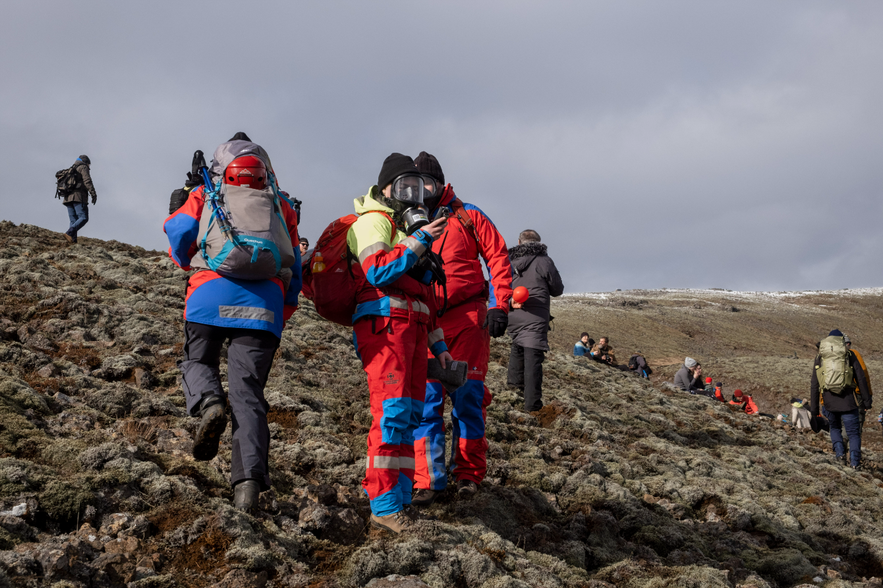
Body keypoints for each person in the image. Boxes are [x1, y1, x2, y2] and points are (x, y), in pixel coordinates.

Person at [163, 136, 301, 511]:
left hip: (209, 293)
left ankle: (209, 403)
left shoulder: (207, 192)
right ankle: (247, 488)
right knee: (248, 395)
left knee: (197, 362)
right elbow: (295, 263)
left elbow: (177, 232)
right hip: (264, 307)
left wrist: (186, 261)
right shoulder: (279, 202)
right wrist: (282, 311)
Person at [347, 153, 453, 534]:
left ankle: (402, 501)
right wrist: (419, 240)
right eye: (404, 187)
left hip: (411, 332)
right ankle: (385, 506)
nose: (414, 195)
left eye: (419, 188)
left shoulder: (401, 228)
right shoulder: (374, 222)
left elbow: (427, 297)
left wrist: (439, 347)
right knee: (392, 416)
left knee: (409, 417)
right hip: (385, 330)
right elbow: (377, 269)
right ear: (386, 188)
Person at [410, 152, 513, 506]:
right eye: (416, 184)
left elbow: (498, 256)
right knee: (426, 400)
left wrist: (501, 305)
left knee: (468, 397)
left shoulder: (468, 215)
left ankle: (468, 475)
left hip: (469, 319)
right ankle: (429, 480)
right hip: (426, 320)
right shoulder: (406, 219)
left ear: (440, 183)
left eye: (428, 184)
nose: (423, 191)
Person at [507, 230, 564, 412]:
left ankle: (512, 394)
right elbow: (557, 289)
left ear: (518, 242)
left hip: (513, 312)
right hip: (535, 317)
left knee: (517, 347)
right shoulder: (544, 261)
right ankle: (533, 406)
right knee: (533, 360)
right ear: (539, 243)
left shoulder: (508, 261)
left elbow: (498, 284)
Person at [811, 329, 872, 469]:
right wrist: (867, 401)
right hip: (849, 402)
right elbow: (861, 378)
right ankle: (855, 464)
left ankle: (840, 455)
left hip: (829, 402)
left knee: (835, 428)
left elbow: (814, 384)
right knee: (853, 434)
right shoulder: (849, 355)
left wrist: (814, 409)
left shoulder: (820, 357)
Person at [61, 155, 97, 243]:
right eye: (89, 165)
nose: (89, 167)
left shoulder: (71, 169)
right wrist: (93, 194)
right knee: (83, 217)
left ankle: (72, 241)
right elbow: (87, 180)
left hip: (67, 198)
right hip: (78, 197)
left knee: (73, 220)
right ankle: (69, 233)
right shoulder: (83, 167)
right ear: (86, 162)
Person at [844, 334, 873, 436]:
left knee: (842, 424)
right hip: (856, 395)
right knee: (856, 424)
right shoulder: (854, 354)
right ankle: (854, 449)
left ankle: (840, 448)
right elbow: (863, 376)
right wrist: (867, 398)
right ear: (848, 344)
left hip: (836, 396)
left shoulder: (828, 357)